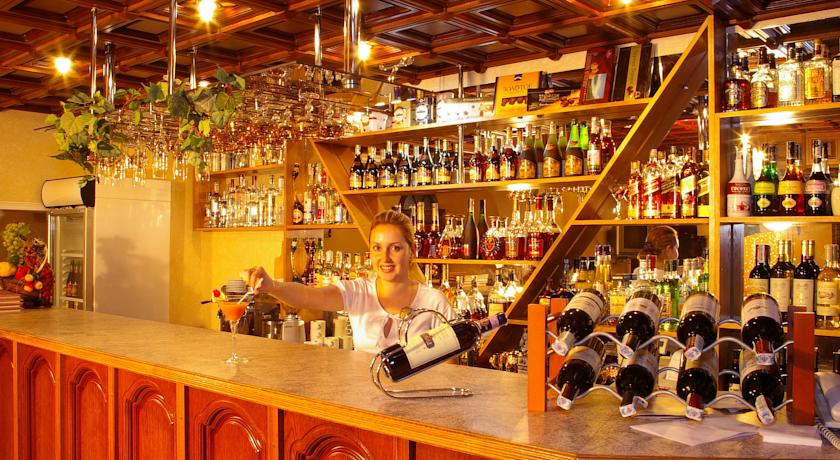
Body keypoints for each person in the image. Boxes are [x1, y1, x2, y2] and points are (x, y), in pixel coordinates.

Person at [242, 210, 453, 354]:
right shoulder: (358, 292)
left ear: (411, 251)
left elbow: (451, 366)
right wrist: (271, 286)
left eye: (395, 248)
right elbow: (307, 296)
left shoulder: (434, 302)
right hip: (363, 399)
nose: (385, 258)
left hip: (416, 400)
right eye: (377, 248)